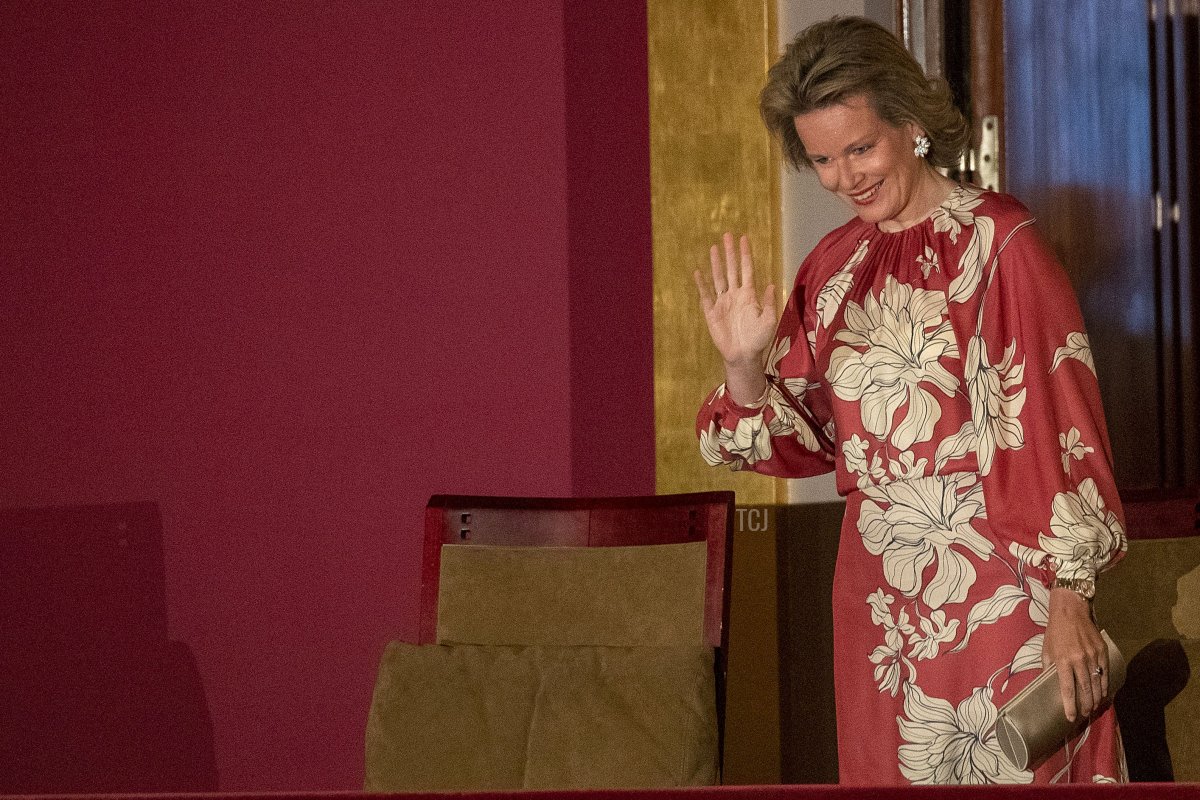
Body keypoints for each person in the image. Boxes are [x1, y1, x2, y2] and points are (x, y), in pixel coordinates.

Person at [694, 16, 1127, 785]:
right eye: (822, 159)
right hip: (880, 605)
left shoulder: (1001, 243)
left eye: (860, 148)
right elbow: (801, 440)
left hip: (997, 591)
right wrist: (744, 370)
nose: (844, 177)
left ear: (911, 122)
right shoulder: (832, 267)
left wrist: (1070, 597)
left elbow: (1061, 426)